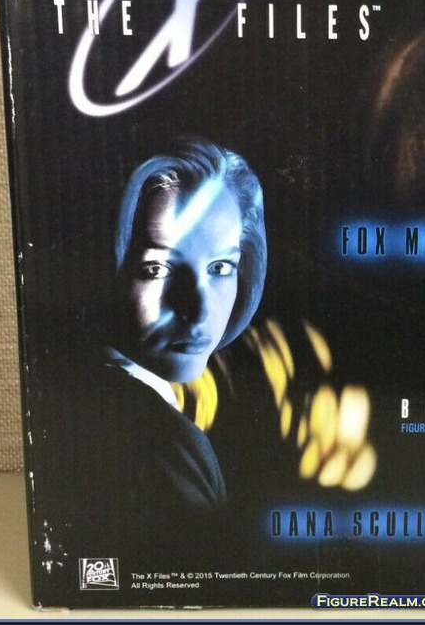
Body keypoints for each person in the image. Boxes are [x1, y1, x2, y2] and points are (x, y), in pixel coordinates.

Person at [64, 138, 267, 562]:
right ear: (105, 265)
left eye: (221, 267)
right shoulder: (168, 443)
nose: (199, 310)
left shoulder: (98, 399)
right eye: (156, 268)